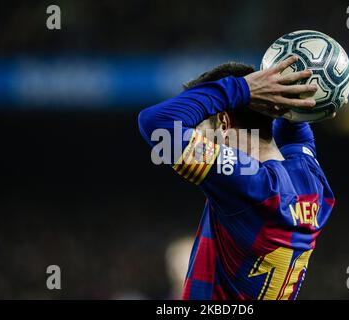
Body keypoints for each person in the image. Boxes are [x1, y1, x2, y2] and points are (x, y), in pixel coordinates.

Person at [138, 56, 336, 300]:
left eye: (200, 130)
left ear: (223, 121)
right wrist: (295, 95)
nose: (198, 139)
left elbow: (155, 123)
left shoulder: (246, 182)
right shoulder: (309, 178)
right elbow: (295, 132)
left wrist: (244, 89)